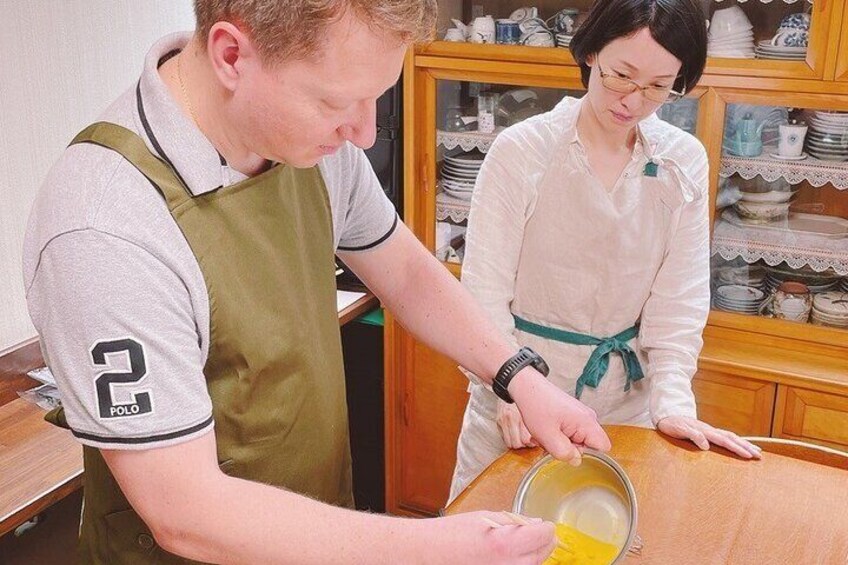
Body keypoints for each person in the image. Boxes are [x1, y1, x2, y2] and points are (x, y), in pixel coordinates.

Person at [23, 1, 613, 563]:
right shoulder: (103, 227)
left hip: (320, 529)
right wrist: (435, 548)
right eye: (339, 103)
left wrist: (520, 378)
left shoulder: (310, 142)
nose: (361, 134)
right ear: (232, 55)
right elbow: (186, 511)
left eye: (374, 101)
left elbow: (405, 272)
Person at [450, 0, 763, 501]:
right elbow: (483, 293)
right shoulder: (523, 152)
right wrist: (507, 390)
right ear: (591, 52)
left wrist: (673, 403)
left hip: (623, 409)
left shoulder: (681, 161)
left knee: (610, 540)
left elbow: (678, 302)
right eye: (622, 75)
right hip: (518, 404)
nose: (634, 101)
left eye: (660, 86)